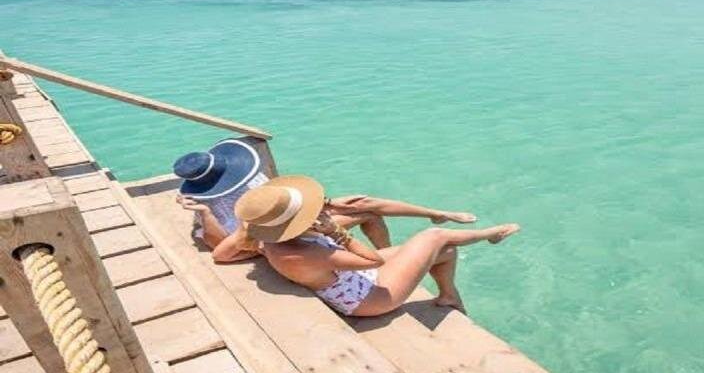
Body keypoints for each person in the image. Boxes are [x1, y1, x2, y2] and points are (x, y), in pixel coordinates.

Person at [213, 175, 520, 316]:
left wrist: (243, 231)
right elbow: (373, 261)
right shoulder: (307, 252)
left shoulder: (264, 239)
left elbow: (220, 255)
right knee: (435, 238)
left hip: (350, 282)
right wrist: (336, 232)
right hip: (369, 299)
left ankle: (448, 297)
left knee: (446, 250)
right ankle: (490, 234)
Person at [173, 140, 480, 256]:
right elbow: (219, 247)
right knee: (369, 214)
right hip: (265, 236)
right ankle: (385, 256)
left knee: (361, 203)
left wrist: (329, 203)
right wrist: (204, 213)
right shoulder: (203, 201)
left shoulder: (248, 174)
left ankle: (435, 213)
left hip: (282, 216)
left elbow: (282, 198)